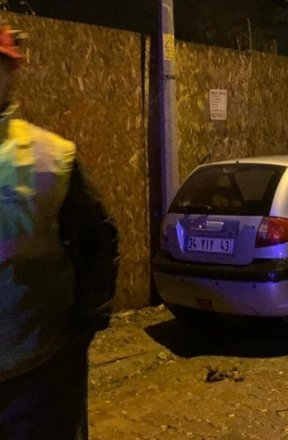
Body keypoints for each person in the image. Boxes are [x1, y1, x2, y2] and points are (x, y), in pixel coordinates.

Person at [0, 22, 118, 439]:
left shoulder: (52, 158)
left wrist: (83, 328)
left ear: (10, 73)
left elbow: (97, 240)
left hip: (38, 377)